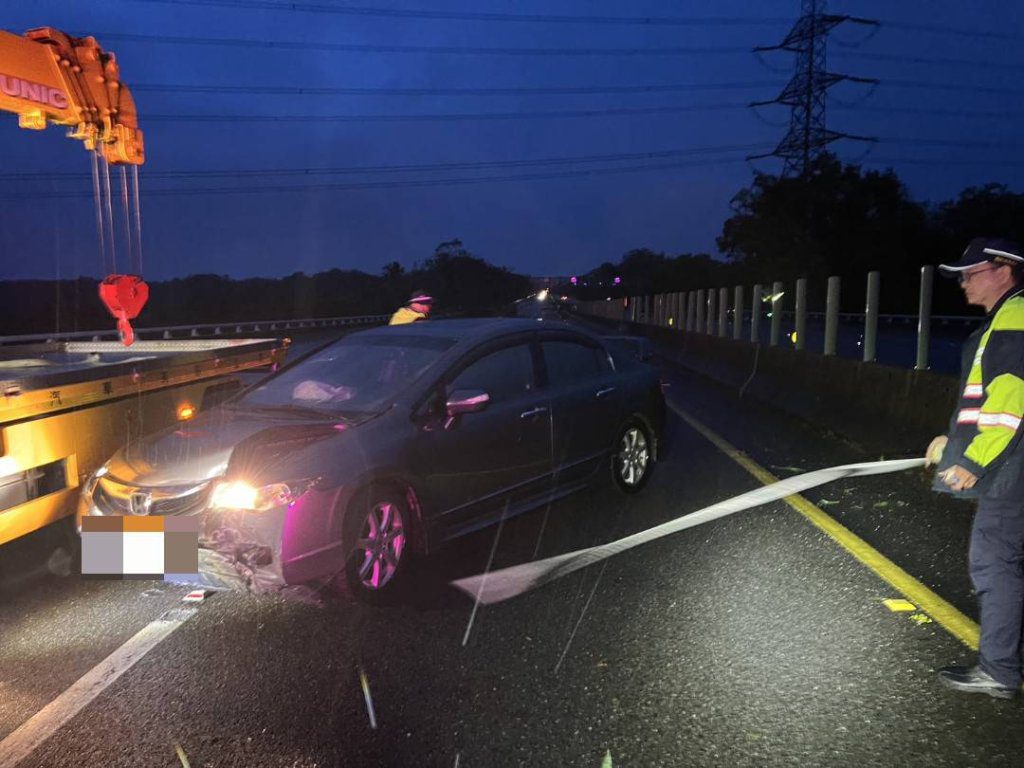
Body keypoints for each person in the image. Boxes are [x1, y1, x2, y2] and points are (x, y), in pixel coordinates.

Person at [926, 237, 1024, 699]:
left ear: (1004, 270)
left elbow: (1011, 399)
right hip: (1011, 457)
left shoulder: (1015, 316)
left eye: (971, 272)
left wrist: (972, 460)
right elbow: (987, 399)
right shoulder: (1007, 316)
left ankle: (999, 671)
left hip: (1012, 467)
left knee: (994, 560)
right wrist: (955, 441)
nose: (963, 282)